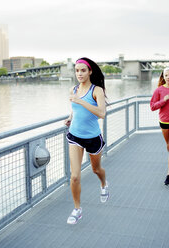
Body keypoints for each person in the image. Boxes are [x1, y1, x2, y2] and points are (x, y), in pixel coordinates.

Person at [64, 57, 109, 224]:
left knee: (96, 170)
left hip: (92, 138)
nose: (79, 73)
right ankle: (77, 209)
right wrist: (70, 118)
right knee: (75, 176)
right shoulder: (73, 89)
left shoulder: (97, 90)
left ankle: (104, 184)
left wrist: (80, 101)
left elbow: (102, 113)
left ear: (90, 71)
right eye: (77, 70)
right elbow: (74, 108)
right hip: (75, 136)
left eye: (83, 70)